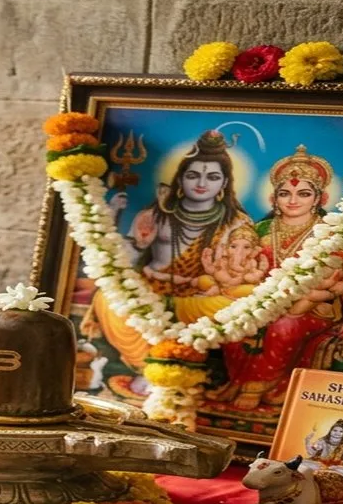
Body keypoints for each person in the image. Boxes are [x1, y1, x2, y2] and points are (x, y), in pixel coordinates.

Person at [84, 130, 253, 389]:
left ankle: (192, 370)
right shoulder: (155, 214)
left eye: (213, 177)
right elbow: (128, 259)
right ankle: (147, 369)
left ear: (224, 184)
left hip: (201, 297)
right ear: (180, 179)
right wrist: (119, 218)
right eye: (193, 175)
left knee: (242, 306)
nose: (201, 183)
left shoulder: (237, 222)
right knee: (108, 297)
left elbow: (239, 269)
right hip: (152, 289)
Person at [216, 145, 343, 410]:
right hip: (262, 299)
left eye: (303, 193)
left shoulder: (330, 232)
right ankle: (238, 382)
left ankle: (261, 387)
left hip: (313, 305)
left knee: (283, 326)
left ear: (319, 199)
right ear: (273, 199)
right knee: (236, 322)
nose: (293, 200)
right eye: (285, 193)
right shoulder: (261, 229)